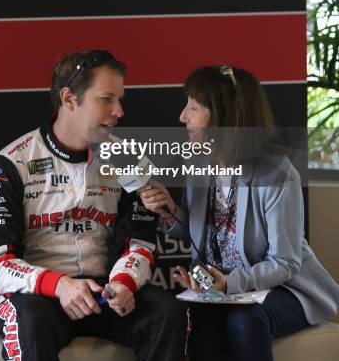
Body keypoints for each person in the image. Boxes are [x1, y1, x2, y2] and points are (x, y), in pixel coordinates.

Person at [0, 49, 187, 361]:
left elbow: (140, 243)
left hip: (107, 292)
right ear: (69, 99)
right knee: (29, 319)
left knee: (168, 311)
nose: (119, 110)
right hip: (42, 295)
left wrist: (124, 282)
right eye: (106, 99)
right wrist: (58, 285)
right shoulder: (12, 162)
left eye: (120, 98)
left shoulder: (130, 160)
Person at [139, 65, 339, 361]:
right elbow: (203, 232)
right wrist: (170, 211)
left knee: (244, 321)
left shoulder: (277, 173)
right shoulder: (199, 162)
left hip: (285, 288)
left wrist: (229, 284)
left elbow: (285, 262)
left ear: (223, 117)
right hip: (227, 289)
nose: (182, 116)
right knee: (202, 322)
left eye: (193, 107)